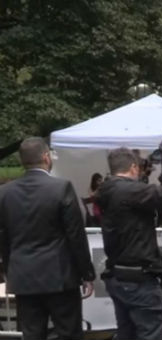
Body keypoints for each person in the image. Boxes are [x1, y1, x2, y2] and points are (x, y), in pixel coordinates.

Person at [0, 137, 95, 340]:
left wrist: (9, 271)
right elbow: (75, 236)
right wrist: (86, 273)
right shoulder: (61, 188)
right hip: (59, 275)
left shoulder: (5, 193)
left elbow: (4, 237)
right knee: (69, 332)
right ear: (46, 157)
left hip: (23, 276)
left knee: (32, 334)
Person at [95, 146, 162, 340]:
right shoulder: (128, 190)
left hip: (118, 274)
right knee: (150, 331)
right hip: (137, 278)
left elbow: (155, 195)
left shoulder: (107, 189)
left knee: (127, 331)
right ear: (132, 167)